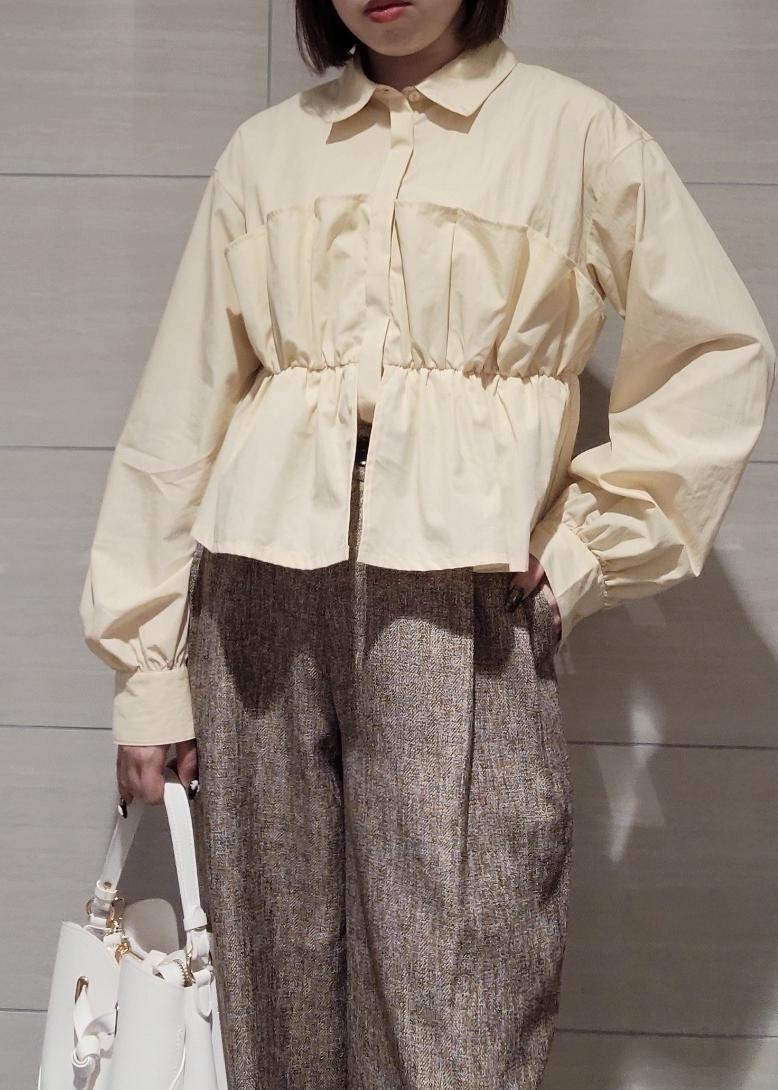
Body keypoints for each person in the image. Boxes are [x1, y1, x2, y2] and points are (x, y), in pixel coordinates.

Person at [78, 0, 776, 1086]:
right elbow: (179, 418)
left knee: (458, 993)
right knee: (269, 991)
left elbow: (716, 354)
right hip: (255, 594)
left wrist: (586, 552)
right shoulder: (266, 153)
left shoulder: (574, 135)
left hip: (460, 593)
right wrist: (148, 676)